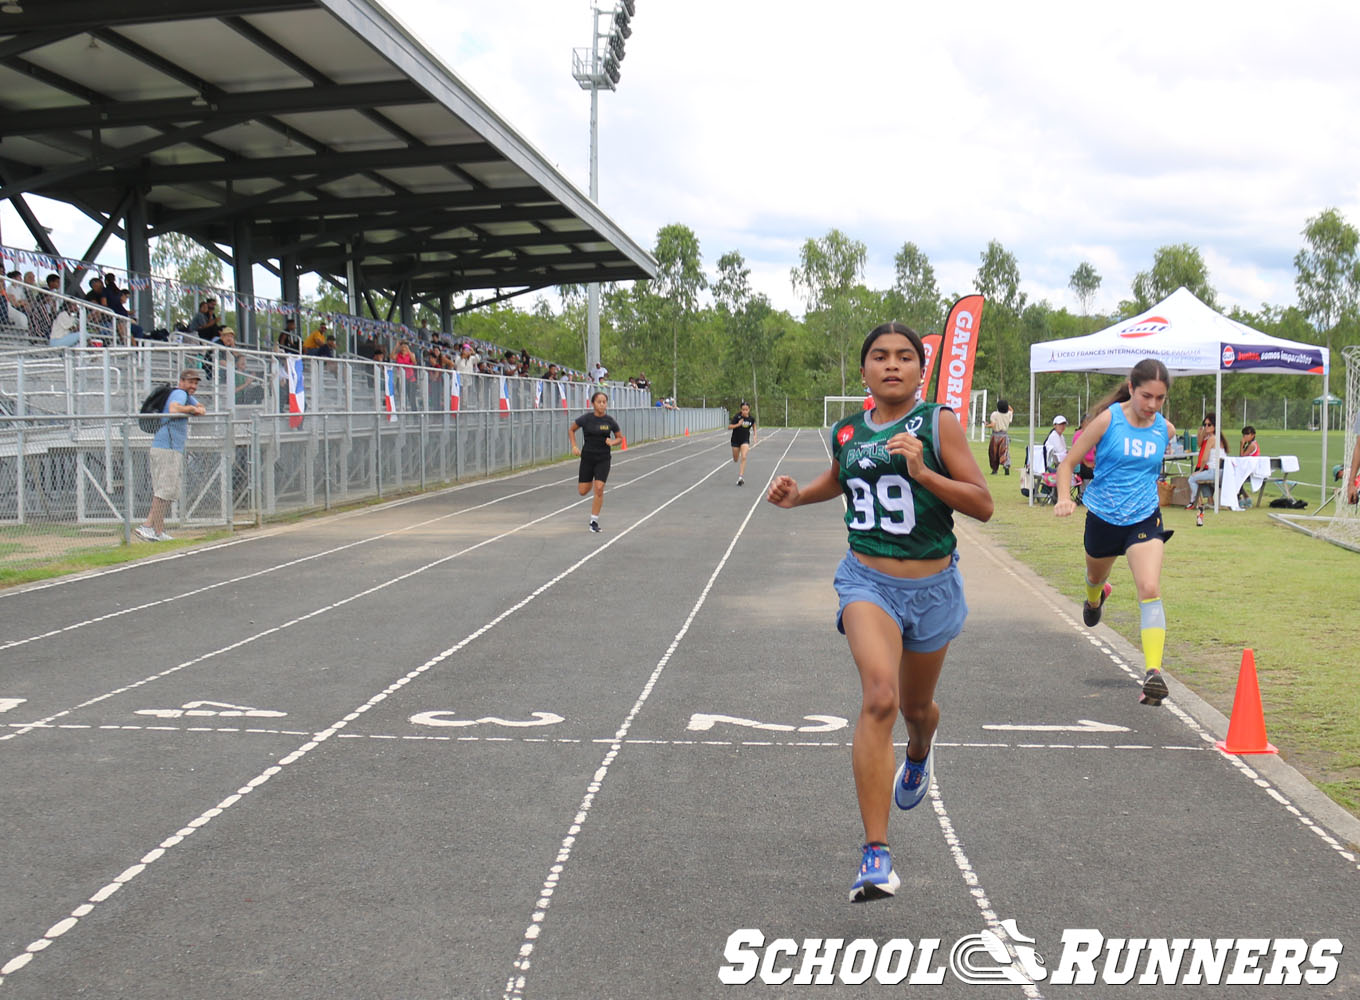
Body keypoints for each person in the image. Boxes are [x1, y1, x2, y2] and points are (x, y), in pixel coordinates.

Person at [766, 321, 993, 903]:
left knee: (917, 708)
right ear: (864, 370)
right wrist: (799, 496)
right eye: (879, 356)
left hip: (934, 585)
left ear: (921, 370)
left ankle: (919, 753)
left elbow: (983, 505)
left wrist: (923, 472)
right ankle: (876, 854)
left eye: (904, 357)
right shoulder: (846, 430)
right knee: (880, 698)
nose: (892, 365)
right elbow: (840, 481)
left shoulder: (938, 423)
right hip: (867, 580)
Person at [1053, 358, 1177, 706]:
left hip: (1144, 518)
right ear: (1131, 386)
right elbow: (1068, 462)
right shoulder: (1109, 420)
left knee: (1149, 588)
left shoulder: (1164, 429)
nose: (1152, 405)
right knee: (1095, 577)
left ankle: (1153, 673)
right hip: (1104, 517)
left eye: (1160, 398)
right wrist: (1064, 497)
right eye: (1146, 396)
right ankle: (1095, 597)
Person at [136, 369, 206, 542]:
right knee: (164, 490)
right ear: (181, 381)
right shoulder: (179, 393)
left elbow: (202, 409)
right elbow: (174, 409)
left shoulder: (186, 395)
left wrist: (194, 408)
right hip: (166, 448)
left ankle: (158, 532)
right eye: (190, 382)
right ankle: (146, 526)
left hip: (171, 449)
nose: (193, 386)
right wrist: (191, 409)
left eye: (196, 383)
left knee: (168, 491)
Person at [570, 391, 622, 533]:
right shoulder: (586, 419)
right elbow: (572, 429)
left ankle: (594, 521)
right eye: (599, 402)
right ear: (593, 404)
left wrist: (612, 441)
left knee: (599, 488)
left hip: (603, 458)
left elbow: (619, 438)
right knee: (582, 491)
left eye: (604, 402)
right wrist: (574, 446)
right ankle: (591, 480)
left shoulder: (609, 421)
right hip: (587, 458)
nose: (602, 404)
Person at [1187, 413, 1229, 511]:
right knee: (1202, 479)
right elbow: (1199, 443)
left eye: (1209, 425)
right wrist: (1200, 433)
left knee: (1192, 479)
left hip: (1215, 471)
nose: (1206, 427)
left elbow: (1205, 458)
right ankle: (1210, 501)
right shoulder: (1219, 438)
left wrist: (1200, 470)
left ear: (1215, 425)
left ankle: (1198, 503)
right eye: (1204, 424)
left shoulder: (1212, 439)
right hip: (1224, 471)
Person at [728, 401, 757, 485]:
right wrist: (738, 424)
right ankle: (737, 454)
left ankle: (740, 477)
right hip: (735, 440)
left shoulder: (751, 418)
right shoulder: (737, 417)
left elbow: (754, 425)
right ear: (741, 410)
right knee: (736, 459)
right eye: (743, 410)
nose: (745, 411)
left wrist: (755, 435)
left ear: (749, 409)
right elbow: (729, 427)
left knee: (744, 457)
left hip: (745, 440)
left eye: (746, 409)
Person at [986, 398, 1013, 474]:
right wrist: (1007, 405)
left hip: (995, 436)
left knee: (993, 453)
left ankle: (994, 470)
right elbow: (1011, 410)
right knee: (1004, 451)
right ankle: (1006, 465)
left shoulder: (994, 414)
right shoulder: (1008, 414)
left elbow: (993, 424)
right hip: (1004, 435)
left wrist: (987, 425)